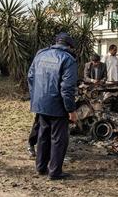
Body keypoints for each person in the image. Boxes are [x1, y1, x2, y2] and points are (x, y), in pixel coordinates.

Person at [28, 32, 78, 180]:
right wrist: (71, 109)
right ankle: (55, 172)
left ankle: (41, 167)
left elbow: (30, 77)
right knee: (58, 139)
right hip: (58, 105)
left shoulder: (41, 54)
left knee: (43, 135)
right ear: (69, 46)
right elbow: (67, 88)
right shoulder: (68, 60)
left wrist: (36, 98)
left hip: (41, 103)